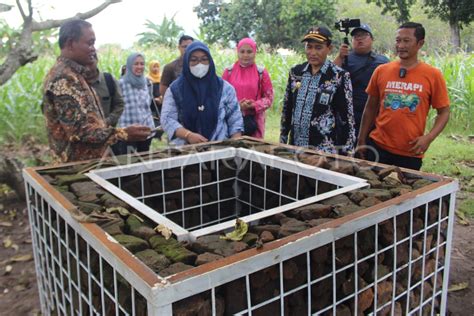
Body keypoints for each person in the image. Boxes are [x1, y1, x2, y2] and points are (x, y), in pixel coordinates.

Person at [42, 19, 150, 163]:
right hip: (77, 169)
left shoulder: (76, 75)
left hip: (89, 165)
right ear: (70, 43)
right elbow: (81, 132)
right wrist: (123, 134)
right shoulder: (64, 79)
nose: (94, 49)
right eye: (90, 43)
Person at [356, 22, 450, 170]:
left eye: (406, 41)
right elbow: (370, 107)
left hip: (411, 152)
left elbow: (444, 112)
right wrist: (361, 139)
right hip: (378, 147)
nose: (400, 45)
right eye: (398, 40)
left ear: (420, 43)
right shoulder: (381, 70)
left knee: (405, 191)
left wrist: (428, 138)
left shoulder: (433, 75)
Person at [279, 26, 356, 155]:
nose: (313, 52)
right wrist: (282, 139)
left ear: (329, 48)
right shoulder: (296, 73)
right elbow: (287, 109)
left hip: (324, 152)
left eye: (318, 47)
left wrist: (348, 153)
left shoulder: (338, 76)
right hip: (295, 147)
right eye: (309, 47)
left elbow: (347, 118)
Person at [160, 41, 243, 145]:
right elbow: (167, 118)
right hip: (185, 151)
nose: (199, 64)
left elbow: (235, 118)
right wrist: (188, 135)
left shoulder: (225, 88)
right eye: (194, 60)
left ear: (210, 61)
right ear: (186, 62)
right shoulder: (175, 90)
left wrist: (235, 145)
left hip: (220, 147)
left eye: (204, 59)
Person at [333, 23, 389, 138]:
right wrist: (340, 56)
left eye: (363, 35)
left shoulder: (382, 61)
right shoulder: (345, 58)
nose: (359, 39)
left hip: (372, 114)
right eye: (356, 36)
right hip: (346, 113)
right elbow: (330, 78)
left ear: (372, 39)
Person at [222, 38, 274, 138]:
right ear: (237, 52)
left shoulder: (261, 73)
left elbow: (269, 98)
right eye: (242, 51)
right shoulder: (228, 72)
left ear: (255, 52)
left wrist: (253, 105)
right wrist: (237, 106)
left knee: (253, 150)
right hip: (232, 121)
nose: (245, 55)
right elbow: (221, 99)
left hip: (254, 122)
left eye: (249, 52)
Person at [116, 53, 156, 154]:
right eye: (136, 64)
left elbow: (148, 104)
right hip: (128, 132)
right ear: (129, 65)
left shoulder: (147, 83)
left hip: (146, 130)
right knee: (129, 164)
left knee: (145, 160)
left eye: (142, 64)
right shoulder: (120, 84)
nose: (139, 67)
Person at [85, 53, 124, 127]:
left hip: (107, 133)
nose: (87, 68)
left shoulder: (108, 80)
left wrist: (107, 122)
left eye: (90, 64)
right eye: (83, 64)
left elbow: (119, 104)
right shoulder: (76, 83)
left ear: (96, 61)